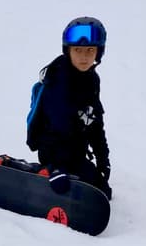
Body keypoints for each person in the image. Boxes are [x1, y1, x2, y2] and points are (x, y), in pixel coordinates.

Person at [25, 16, 112, 199]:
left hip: (75, 153)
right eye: (77, 50)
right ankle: (39, 171)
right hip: (53, 151)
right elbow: (57, 127)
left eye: (90, 50)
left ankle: (68, 174)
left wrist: (103, 160)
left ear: (99, 52)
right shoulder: (58, 80)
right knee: (64, 187)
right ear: (68, 51)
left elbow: (95, 122)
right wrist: (55, 167)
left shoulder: (91, 80)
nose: (84, 56)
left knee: (103, 192)